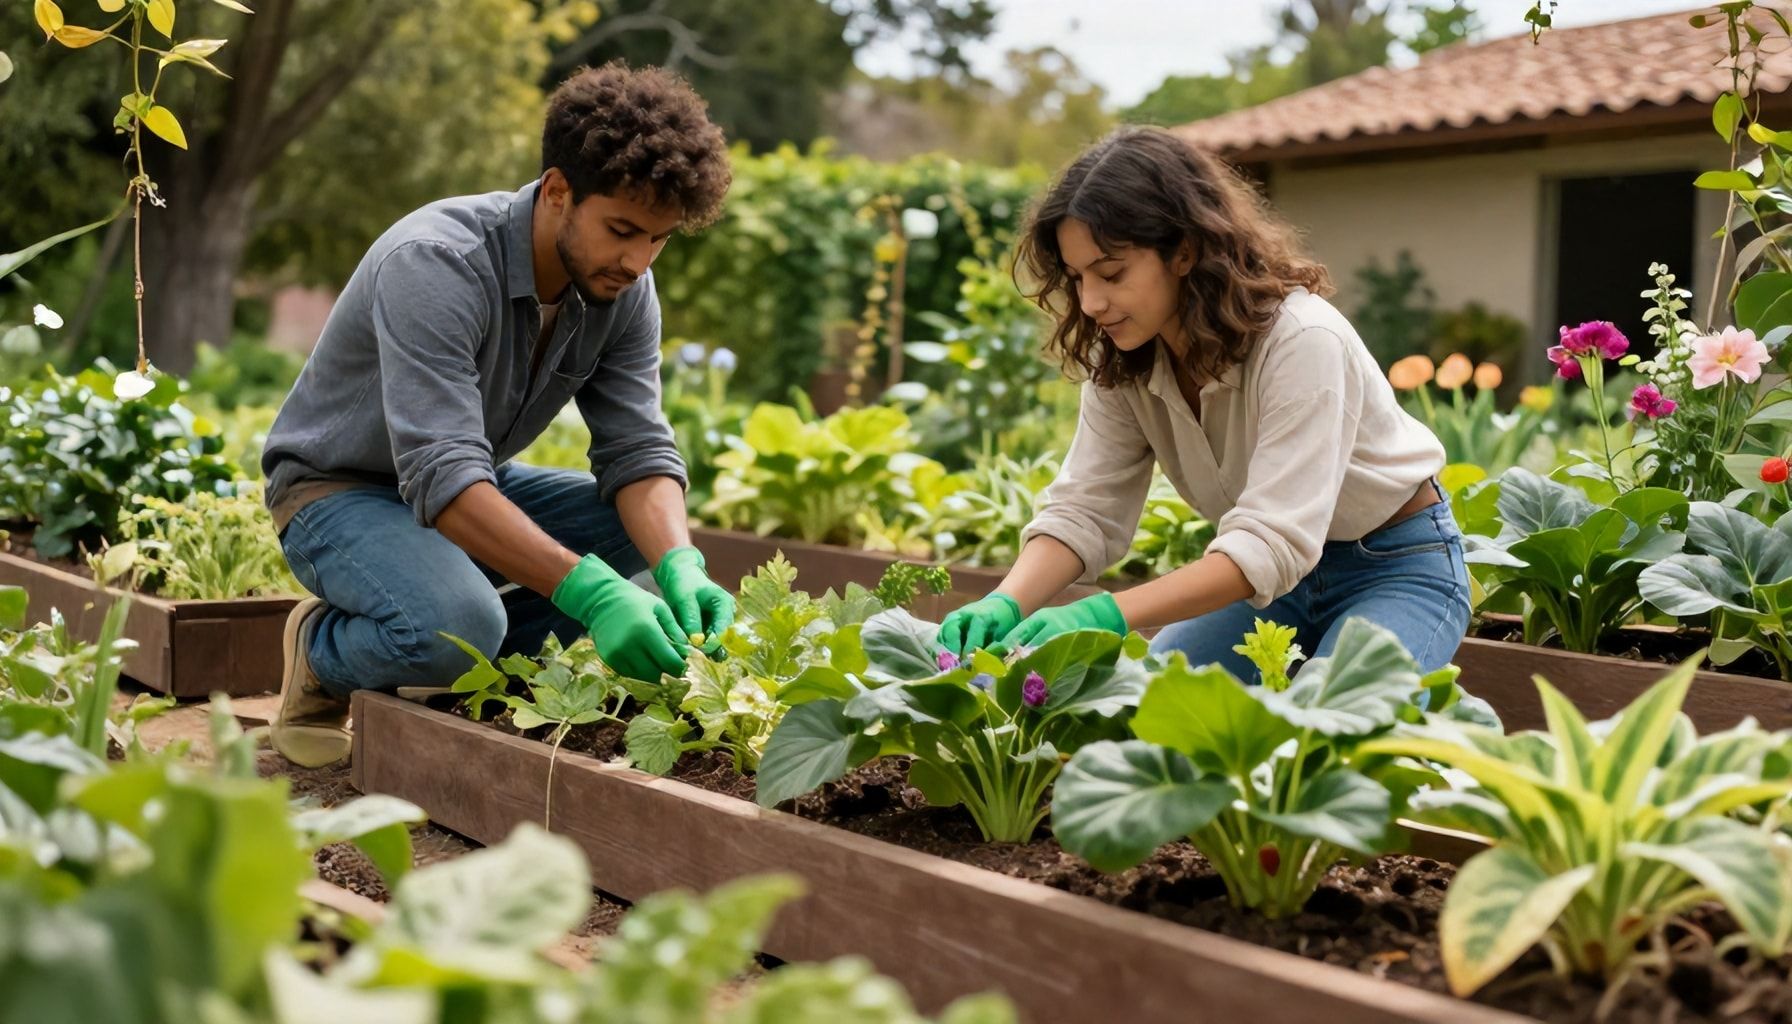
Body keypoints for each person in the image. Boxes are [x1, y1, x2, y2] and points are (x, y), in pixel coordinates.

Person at [262, 62, 736, 767]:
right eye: (622, 230)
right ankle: (325, 650)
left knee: (633, 533)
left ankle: (448, 661)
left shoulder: (622, 288)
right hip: (339, 493)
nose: (639, 261)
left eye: (659, 239)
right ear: (557, 192)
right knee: (457, 621)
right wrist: (594, 594)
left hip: (467, 485)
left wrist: (683, 564)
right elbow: (443, 474)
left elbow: (637, 449)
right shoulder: (436, 263)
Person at [936, 126, 1470, 679]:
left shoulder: (1303, 340)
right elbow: (1086, 510)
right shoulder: (1125, 359)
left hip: (1397, 566)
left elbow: (1272, 541)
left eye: (1111, 273)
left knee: (1336, 719)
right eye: (1076, 278)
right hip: (1272, 586)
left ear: (1185, 251)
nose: (1091, 302)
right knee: (1152, 705)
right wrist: (1006, 600)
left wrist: (1105, 612)